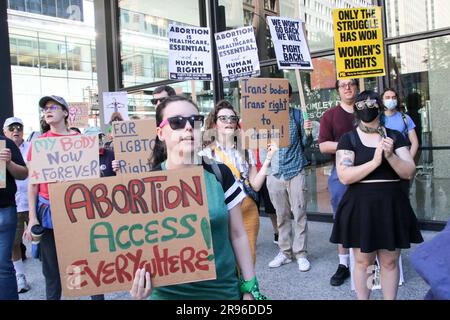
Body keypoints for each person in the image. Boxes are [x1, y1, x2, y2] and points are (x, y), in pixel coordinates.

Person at [129, 95, 264, 300]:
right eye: (177, 122)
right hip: (165, 294)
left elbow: (238, 234)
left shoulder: (220, 174)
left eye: (194, 121)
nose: (188, 127)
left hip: (222, 293)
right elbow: (138, 246)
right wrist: (139, 287)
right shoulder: (145, 185)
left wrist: (250, 288)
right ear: (160, 133)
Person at [330, 90, 423, 300]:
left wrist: (390, 156)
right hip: (361, 207)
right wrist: (374, 161)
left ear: (380, 107)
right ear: (355, 110)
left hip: (391, 205)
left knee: (390, 261)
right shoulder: (348, 139)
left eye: (371, 104)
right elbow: (345, 176)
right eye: (361, 105)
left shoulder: (396, 136)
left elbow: (408, 171)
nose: (366, 108)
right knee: (364, 262)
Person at [200, 100, 278, 264]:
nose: (229, 121)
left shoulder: (245, 150)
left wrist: (268, 159)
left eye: (232, 118)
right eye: (223, 118)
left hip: (248, 210)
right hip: (223, 212)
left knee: (249, 259)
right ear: (214, 124)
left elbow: (255, 185)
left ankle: (248, 290)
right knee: (226, 260)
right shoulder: (206, 155)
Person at [24, 95, 80, 300]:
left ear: (65, 112)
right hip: (48, 214)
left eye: (52, 107)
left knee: (80, 266)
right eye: (45, 108)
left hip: (78, 212)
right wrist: (32, 218)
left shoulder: (80, 142)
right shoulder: (39, 144)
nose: (47, 110)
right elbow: (33, 184)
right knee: (51, 271)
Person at [266, 83, 313, 272]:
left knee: (300, 212)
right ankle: (285, 252)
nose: (281, 97)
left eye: (284, 94)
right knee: (281, 214)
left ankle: (300, 253)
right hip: (275, 172)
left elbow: (305, 143)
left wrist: (309, 132)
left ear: (290, 97)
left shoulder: (297, 115)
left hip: (295, 169)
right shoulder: (266, 117)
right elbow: (259, 143)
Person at [318, 79, 358, 286]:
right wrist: (350, 145)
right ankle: (344, 264)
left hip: (370, 173)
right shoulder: (330, 116)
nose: (348, 87)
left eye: (351, 84)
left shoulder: (367, 110)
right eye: (343, 85)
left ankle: (368, 260)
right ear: (338, 91)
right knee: (342, 219)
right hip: (342, 174)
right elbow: (323, 146)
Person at [3, 117, 32, 293]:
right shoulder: (3, 148)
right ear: (4, 131)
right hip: (15, 204)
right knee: (14, 243)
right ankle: (20, 275)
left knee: (43, 239)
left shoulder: (31, 148)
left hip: (33, 202)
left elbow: (27, 173)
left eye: (19, 127)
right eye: (11, 128)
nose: (16, 131)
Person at [382, 88, 419, 159]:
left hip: (401, 158)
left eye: (393, 97)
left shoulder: (405, 118)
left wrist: (408, 161)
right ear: (382, 100)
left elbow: (415, 142)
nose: (391, 100)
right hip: (384, 161)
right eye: (387, 98)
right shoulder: (378, 119)